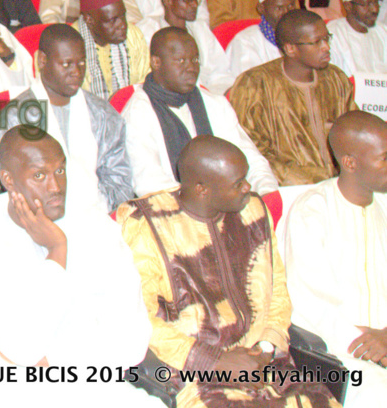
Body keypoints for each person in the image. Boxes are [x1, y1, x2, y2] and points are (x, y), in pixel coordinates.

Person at [0, 127, 161, 408]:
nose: (56, 187)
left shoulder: (95, 226)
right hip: (20, 395)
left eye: (60, 171)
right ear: (7, 179)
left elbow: (132, 342)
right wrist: (57, 251)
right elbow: (24, 345)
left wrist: (51, 358)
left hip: (101, 388)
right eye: (39, 176)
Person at [119, 135, 340, 408]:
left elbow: (278, 294)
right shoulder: (146, 225)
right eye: (238, 183)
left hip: (267, 365)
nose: (248, 187)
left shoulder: (254, 212)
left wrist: (265, 349)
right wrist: (214, 361)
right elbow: (141, 320)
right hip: (196, 375)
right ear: (202, 189)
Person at [281, 110, 387, 408]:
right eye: (385, 157)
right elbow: (311, 303)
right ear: (351, 163)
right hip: (338, 353)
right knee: (379, 393)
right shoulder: (313, 210)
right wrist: (372, 345)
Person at [0, 25, 134, 213]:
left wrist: (96, 210)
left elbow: (119, 178)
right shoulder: (13, 118)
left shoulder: (102, 114)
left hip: (97, 216)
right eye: (66, 64)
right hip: (35, 222)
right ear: (42, 60)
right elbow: (11, 185)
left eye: (81, 63)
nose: (76, 72)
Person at [124, 26, 277, 197]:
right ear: (156, 62)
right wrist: (203, 208)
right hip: (174, 212)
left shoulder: (214, 103)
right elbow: (149, 182)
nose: (191, 68)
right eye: (181, 61)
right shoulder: (138, 113)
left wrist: (267, 193)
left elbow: (250, 158)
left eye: (195, 60)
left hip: (226, 202)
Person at [230, 9, 356, 185]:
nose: (326, 47)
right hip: (287, 188)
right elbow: (250, 148)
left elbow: (354, 131)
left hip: (340, 185)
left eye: (327, 38)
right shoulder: (254, 85)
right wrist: (310, 181)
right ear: (290, 48)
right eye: (316, 42)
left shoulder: (335, 78)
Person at [136, 0, 234, 95]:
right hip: (168, 95)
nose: (194, 5)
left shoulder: (200, 27)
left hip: (210, 94)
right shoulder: (147, 30)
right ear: (167, 1)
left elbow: (220, 72)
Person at [75, 0, 151, 100]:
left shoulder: (133, 35)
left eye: (123, 16)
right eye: (112, 20)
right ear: (89, 20)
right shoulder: (69, 45)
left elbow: (145, 84)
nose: (122, 25)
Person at [225, 0, 298, 76]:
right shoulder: (246, 41)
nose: (286, 12)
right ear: (261, 8)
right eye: (279, 8)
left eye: (291, 6)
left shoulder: (304, 35)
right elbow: (252, 83)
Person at [327, 0, 387, 75]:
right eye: (367, 4)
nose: (375, 9)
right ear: (348, 6)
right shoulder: (333, 34)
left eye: (376, 2)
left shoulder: (383, 31)